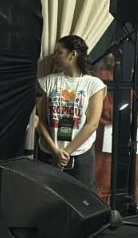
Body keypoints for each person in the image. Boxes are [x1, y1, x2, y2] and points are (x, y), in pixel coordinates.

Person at [36, 35, 107, 189]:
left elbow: (92, 124)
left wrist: (66, 153)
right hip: (48, 153)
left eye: (59, 52)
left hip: (81, 157)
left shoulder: (94, 85)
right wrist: (55, 151)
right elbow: (40, 120)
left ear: (73, 54)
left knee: (80, 199)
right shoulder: (48, 81)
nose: (54, 56)